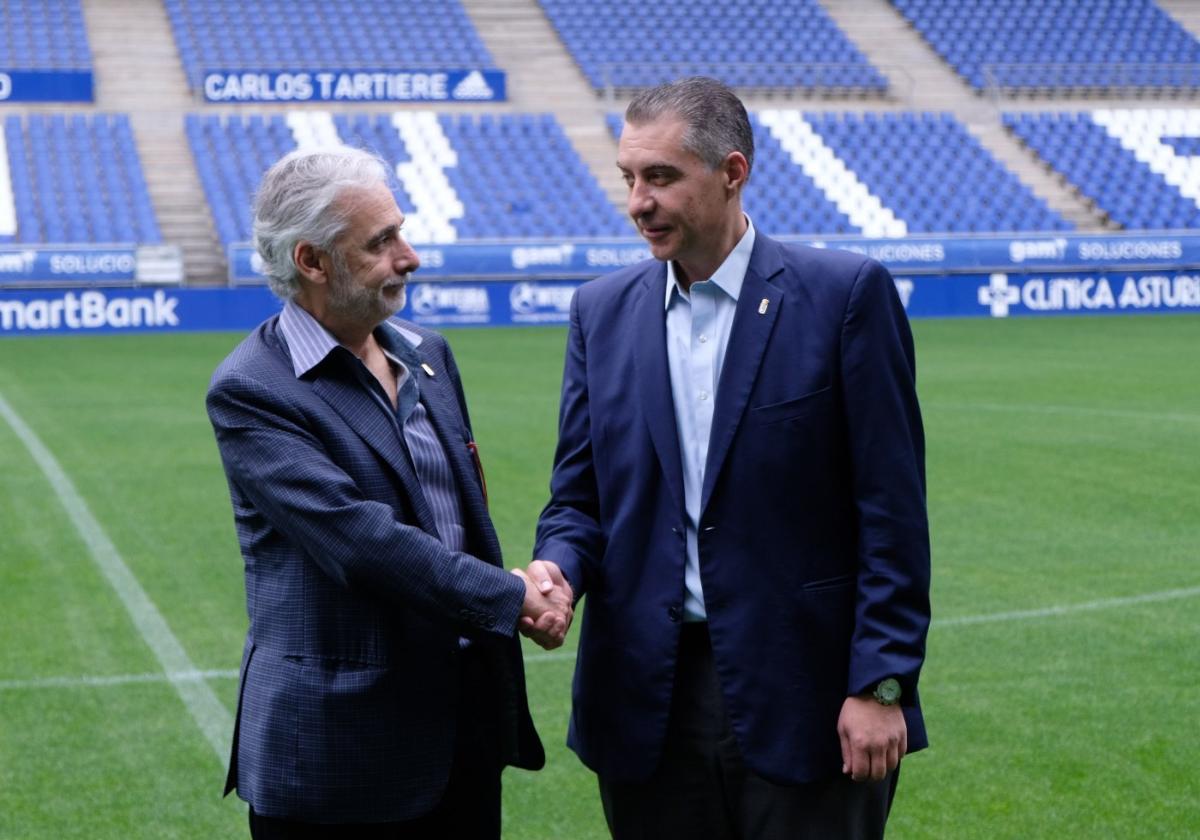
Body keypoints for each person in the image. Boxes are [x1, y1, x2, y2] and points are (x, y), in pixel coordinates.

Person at [529, 77, 931, 838]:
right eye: (629, 178)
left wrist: (881, 685)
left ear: (733, 173)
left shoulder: (845, 296)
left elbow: (892, 510)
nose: (638, 202)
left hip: (807, 697)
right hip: (646, 701)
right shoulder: (600, 314)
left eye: (661, 177)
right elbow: (578, 500)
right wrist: (559, 569)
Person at [206, 145, 571, 838]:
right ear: (312, 261)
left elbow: (463, 511)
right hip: (338, 754)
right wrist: (511, 595)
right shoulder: (254, 389)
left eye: (400, 231)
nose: (411, 257)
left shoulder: (427, 352)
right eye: (382, 242)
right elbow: (360, 543)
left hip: (460, 731)